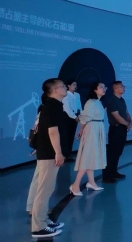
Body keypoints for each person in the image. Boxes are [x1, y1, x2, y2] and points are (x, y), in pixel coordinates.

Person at [31, 78, 66, 239]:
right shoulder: (52, 106)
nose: (65, 88)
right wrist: (58, 152)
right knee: (44, 190)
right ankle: (38, 227)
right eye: (63, 86)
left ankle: (44, 220)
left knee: (47, 189)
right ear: (55, 90)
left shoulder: (52, 105)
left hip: (46, 152)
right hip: (49, 153)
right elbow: (52, 131)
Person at [70, 82, 107, 195]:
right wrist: (82, 130)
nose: (104, 89)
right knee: (88, 156)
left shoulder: (98, 102)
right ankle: (75, 185)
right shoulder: (91, 102)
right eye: (101, 87)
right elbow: (84, 118)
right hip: (92, 130)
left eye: (104, 87)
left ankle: (91, 182)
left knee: (91, 156)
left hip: (97, 128)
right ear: (95, 89)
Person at [102, 81, 132, 183]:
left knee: (118, 151)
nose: (124, 88)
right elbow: (116, 116)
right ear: (116, 89)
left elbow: (126, 112)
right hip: (115, 129)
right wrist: (126, 124)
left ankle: (114, 172)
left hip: (122, 128)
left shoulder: (122, 100)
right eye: (122, 87)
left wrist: (129, 121)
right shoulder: (112, 100)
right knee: (112, 152)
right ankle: (107, 175)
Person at [61, 79, 81, 162]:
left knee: (72, 135)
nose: (75, 86)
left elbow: (79, 106)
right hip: (67, 117)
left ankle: (68, 154)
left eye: (76, 85)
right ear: (68, 85)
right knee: (66, 136)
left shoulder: (77, 95)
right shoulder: (66, 95)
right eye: (73, 85)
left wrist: (80, 115)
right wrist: (74, 117)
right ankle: (64, 154)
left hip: (75, 115)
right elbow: (67, 108)